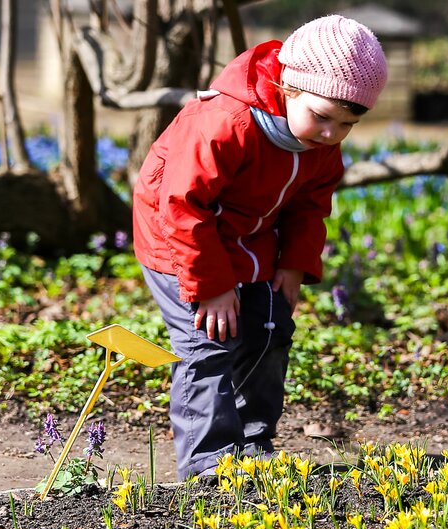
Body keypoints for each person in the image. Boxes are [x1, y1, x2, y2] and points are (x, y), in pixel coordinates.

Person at [131, 15, 388, 480]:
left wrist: (293, 265)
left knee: (269, 331)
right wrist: (211, 287)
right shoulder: (224, 122)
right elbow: (181, 205)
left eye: (346, 125)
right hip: (179, 240)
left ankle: (252, 440)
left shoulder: (319, 145)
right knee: (210, 341)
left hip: (250, 238)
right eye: (323, 117)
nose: (331, 135)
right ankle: (209, 462)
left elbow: (311, 207)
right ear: (289, 87)